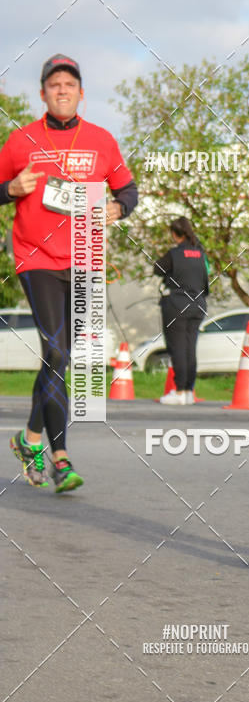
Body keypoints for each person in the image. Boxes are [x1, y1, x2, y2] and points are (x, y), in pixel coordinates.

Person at [0, 54, 138, 491]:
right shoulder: (20, 140)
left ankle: (29, 437)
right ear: (42, 93)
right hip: (36, 257)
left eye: (70, 84)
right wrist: (10, 189)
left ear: (81, 93)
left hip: (85, 257)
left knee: (62, 358)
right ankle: (60, 458)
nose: (62, 90)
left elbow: (128, 189)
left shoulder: (101, 140)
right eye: (54, 84)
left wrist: (120, 207)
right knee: (57, 352)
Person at [153, 217, 209, 404]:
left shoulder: (174, 254)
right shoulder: (201, 254)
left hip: (177, 305)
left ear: (175, 234)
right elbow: (205, 279)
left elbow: (157, 269)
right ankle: (187, 391)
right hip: (198, 305)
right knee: (189, 348)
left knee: (177, 348)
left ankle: (178, 392)